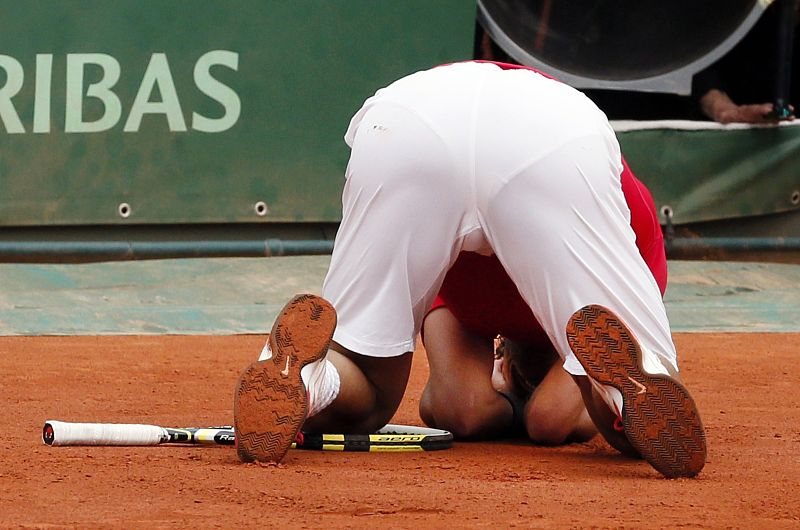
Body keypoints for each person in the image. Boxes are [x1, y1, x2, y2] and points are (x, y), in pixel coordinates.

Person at [233, 61, 707, 478]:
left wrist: (501, 399)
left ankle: (307, 379)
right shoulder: (625, 235)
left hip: (412, 120)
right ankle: (624, 391)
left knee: (364, 370)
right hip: (552, 135)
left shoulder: (465, 302)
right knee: (627, 385)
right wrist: (532, 399)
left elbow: (459, 408)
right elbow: (549, 421)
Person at [419, 155, 668, 451]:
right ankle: (607, 394)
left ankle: (627, 384)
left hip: (596, 255)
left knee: (547, 420)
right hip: (469, 249)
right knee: (464, 413)